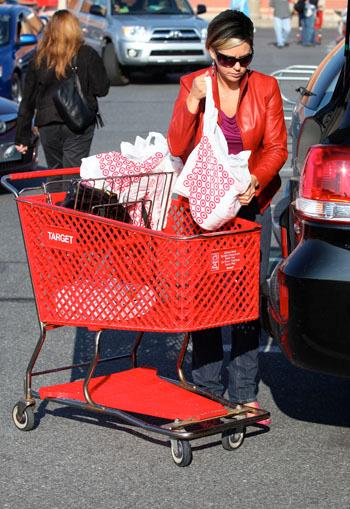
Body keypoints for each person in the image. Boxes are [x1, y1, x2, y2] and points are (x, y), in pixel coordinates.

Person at [167, 10, 288, 423]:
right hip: (204, 207)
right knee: (205, 293)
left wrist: (256, 178)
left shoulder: (266, 88)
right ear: (211, 53)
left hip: (250, 204)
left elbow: (276, 147)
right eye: (227, 59)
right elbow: (178, 145)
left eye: (245, 58)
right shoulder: (193, 84)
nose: (237, 68)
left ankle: (242, 390)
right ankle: (205, 387)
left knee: (243, 295)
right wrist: (193, 102)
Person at [15, 10, 110, 178]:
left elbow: (27, 100)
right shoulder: (87, 54)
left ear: (50, 30)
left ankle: (55, 203)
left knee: (55, 174)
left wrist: (22, 136)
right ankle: (69, 203)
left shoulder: (40, 57)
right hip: (78, 122)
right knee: (73, 174)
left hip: (47, 123)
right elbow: (102, 89)